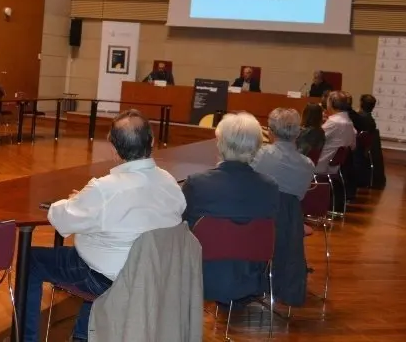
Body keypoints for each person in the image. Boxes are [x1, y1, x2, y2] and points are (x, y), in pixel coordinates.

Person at [24, 110, 186, 342]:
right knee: (103, 254)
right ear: (152, 141)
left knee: (32, 260)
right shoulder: (170, 182)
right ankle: (83, 334)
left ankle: (26, 337)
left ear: (113, 148)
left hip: (108, 279)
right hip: (154, 276)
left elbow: (62, 219)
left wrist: (75, 201)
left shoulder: (104, 189)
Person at [182, 112, 279, 304]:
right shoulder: (270, 187)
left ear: (221, 144)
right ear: (257, 147)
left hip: (201, 277)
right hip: (252, 277)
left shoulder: (197, 183)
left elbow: (182, 227)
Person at [251, 108, 315, 199]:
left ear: (270, 132)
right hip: (291, 212)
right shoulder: (309, 166)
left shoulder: (258, 155)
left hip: (259, 211)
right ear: (298, 133)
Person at [317, 91, 356, 174]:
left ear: (330, 104)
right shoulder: (349, 122)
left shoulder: (334, 122)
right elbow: (353, 145)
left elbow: (316, 138)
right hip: (336, 164)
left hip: (322, 162)